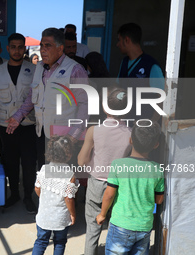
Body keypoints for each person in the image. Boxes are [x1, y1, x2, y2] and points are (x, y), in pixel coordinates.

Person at [6, 27, 89, 170]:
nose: (42, 50)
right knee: (44, 175)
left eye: (48, 46)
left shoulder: (75, 70)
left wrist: (72, 137)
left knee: (63, 181)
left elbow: (85, 104)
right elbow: (33, 95)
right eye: (41, 46)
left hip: (64, 138)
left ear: (60, 48)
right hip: (42, 134)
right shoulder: (39, 67)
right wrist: (18, 116)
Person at [0, 33, 37, 213]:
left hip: (28, 125)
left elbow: (37, 98)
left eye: (20, 47)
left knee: (29, 163)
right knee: (10, 162)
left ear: (25, 49)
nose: (17, 50)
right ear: (7, 49)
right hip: (5, 125)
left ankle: (28, 196)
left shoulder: (34, 70)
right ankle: (14, 193)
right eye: (13, 47)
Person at [96, 121, 164, 255]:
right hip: (144, 226)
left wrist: (102, 214)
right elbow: (159, 200)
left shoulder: (118, 164)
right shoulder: (158, 169)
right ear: (156, 145)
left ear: (130, 140)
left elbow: (109, 194)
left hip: (121, 225)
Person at [78, 88, 132, 255]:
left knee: (92, 231)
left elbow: (82, 160)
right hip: (120, 186)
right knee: (116, 229)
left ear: (105, 108)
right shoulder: (131, 133)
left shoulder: (94, 130)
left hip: (96, 184)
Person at [32, 135, 79, 255]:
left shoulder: (44, 169)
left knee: (41, 242)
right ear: (69, 154)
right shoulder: (69, 174)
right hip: (60, 218)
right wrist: (73, 214)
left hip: (44, 216)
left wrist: (44, 199)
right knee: (59, 242)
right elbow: (69, 198)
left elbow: (37, 188)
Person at [117, 23, 164, 122]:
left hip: (143, 124)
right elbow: (117, 87)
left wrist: (151, 124)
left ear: (127, 40)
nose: (117, 44)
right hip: (125, 123)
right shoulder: (124, 62)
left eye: (119, 40)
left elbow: (161, 100)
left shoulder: (151, 66)